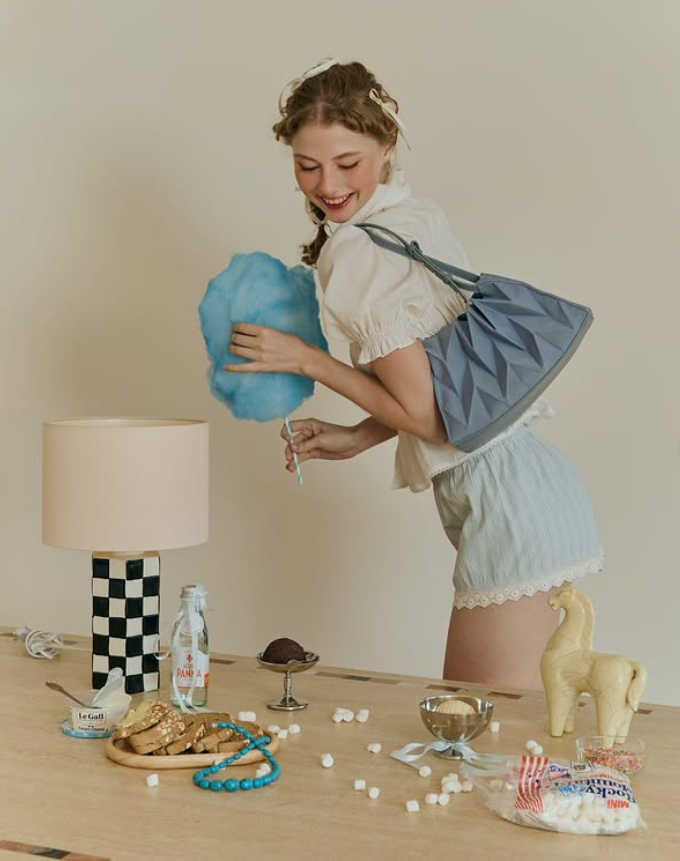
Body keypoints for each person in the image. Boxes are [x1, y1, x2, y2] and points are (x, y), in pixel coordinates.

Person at [224, 59, 603, 690]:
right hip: (531, 486)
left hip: (504, 498)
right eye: (307, 165)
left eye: (347, 162)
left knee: (477, 723)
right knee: (521, 725)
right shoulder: (412, 214)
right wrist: (360, 434)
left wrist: (305, 359)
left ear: (386, 146)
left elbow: (426, 416)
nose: (327, 185)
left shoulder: (357, 252)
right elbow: (442, 385)